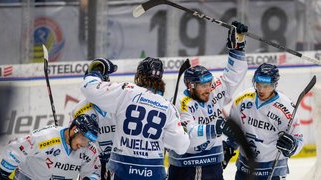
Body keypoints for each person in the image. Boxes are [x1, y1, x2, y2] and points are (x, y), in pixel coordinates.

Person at [81, 57, 190, 180]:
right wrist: (183, 132)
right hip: (153, 174)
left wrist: (95, 72)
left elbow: (88, 88)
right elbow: (181, 146)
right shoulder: (168, 107)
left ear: (138, 76)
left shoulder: (127, 91)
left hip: (122, 171)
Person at [167, 21, 249, 180]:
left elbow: (233, 75)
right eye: (203, 86)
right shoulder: (180, 102)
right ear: (190, 86)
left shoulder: (214, 89)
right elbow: (188, 133)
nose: (209, 89)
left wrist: (237, 48)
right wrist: (215, 128)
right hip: (185, 166)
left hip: (212, 164)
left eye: (209, 84)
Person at [226, 63, 304, 179]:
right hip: (245, 168)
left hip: (272, 171)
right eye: (258, 84)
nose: (261, 89)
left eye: (266, 86)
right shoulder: (242, 100)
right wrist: (229, 147)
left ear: (275, 85)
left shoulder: (286, 109)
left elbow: (299, 140)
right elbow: (236, 132)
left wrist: (292, 146)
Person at [0, 114, 101, 180]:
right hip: (29, 177)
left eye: (88, 141)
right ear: (74, 131)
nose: (84, 145)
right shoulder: (45, 138)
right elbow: (17, 149)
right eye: (83, 139)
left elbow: (94, 173)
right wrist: (3, 174)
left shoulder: (89, 150)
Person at [71, 62, 116, 180]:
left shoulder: (119, 103)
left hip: (118, 161)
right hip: (92, 162)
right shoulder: (78, 110)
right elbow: (74, 140)